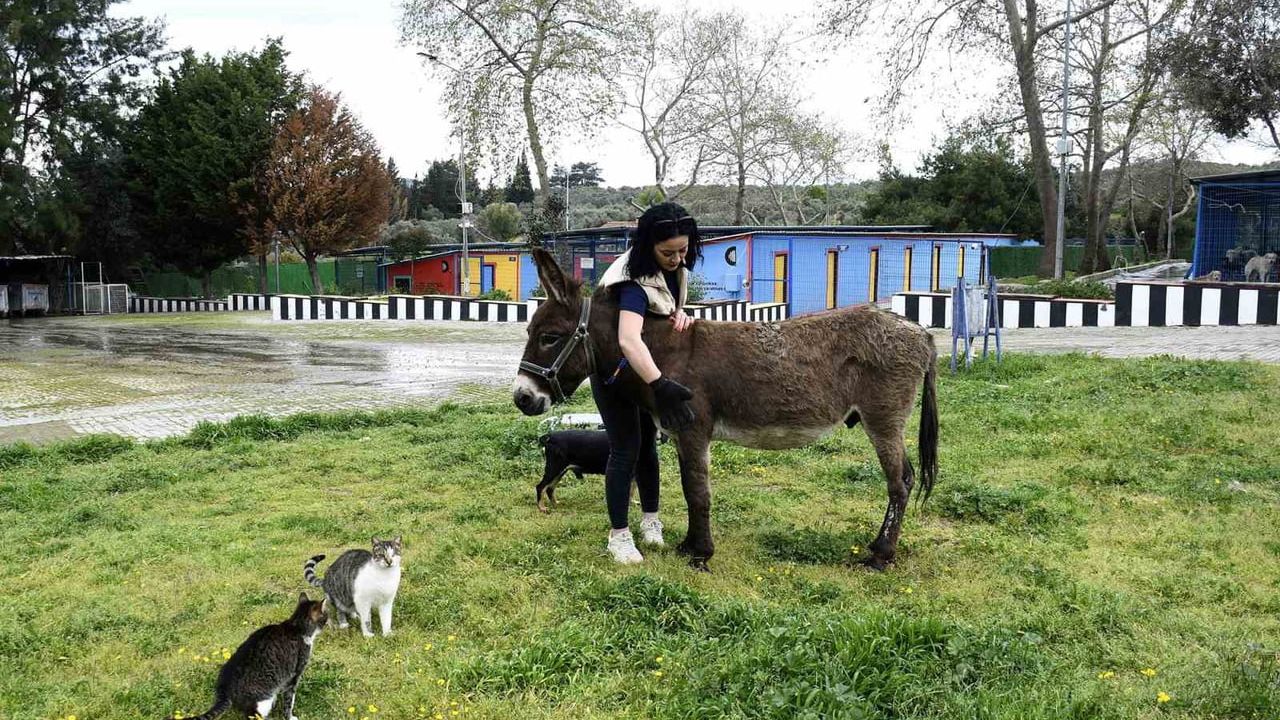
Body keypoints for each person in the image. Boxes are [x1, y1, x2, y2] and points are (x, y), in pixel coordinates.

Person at [592, 202, 701, 564]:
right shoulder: (632, 280)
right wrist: (660, 385)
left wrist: (681, 312)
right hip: (616, 372)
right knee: (626, 448)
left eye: (683, 250)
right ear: (647, 248)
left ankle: (651, 520)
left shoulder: (676, 269)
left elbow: (666, 308)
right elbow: (628, 339)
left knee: (649, 449)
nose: (676, 259)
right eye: (667, 252)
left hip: (644, 372)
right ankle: (618, 535)